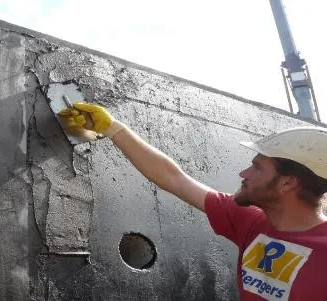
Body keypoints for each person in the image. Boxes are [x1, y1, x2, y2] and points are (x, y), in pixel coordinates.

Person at [58, 103, 327, 301]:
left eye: (257, 168)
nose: (243, 173)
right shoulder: (251, 222)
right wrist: (112, 127)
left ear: (288, 183)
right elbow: (174, 178)